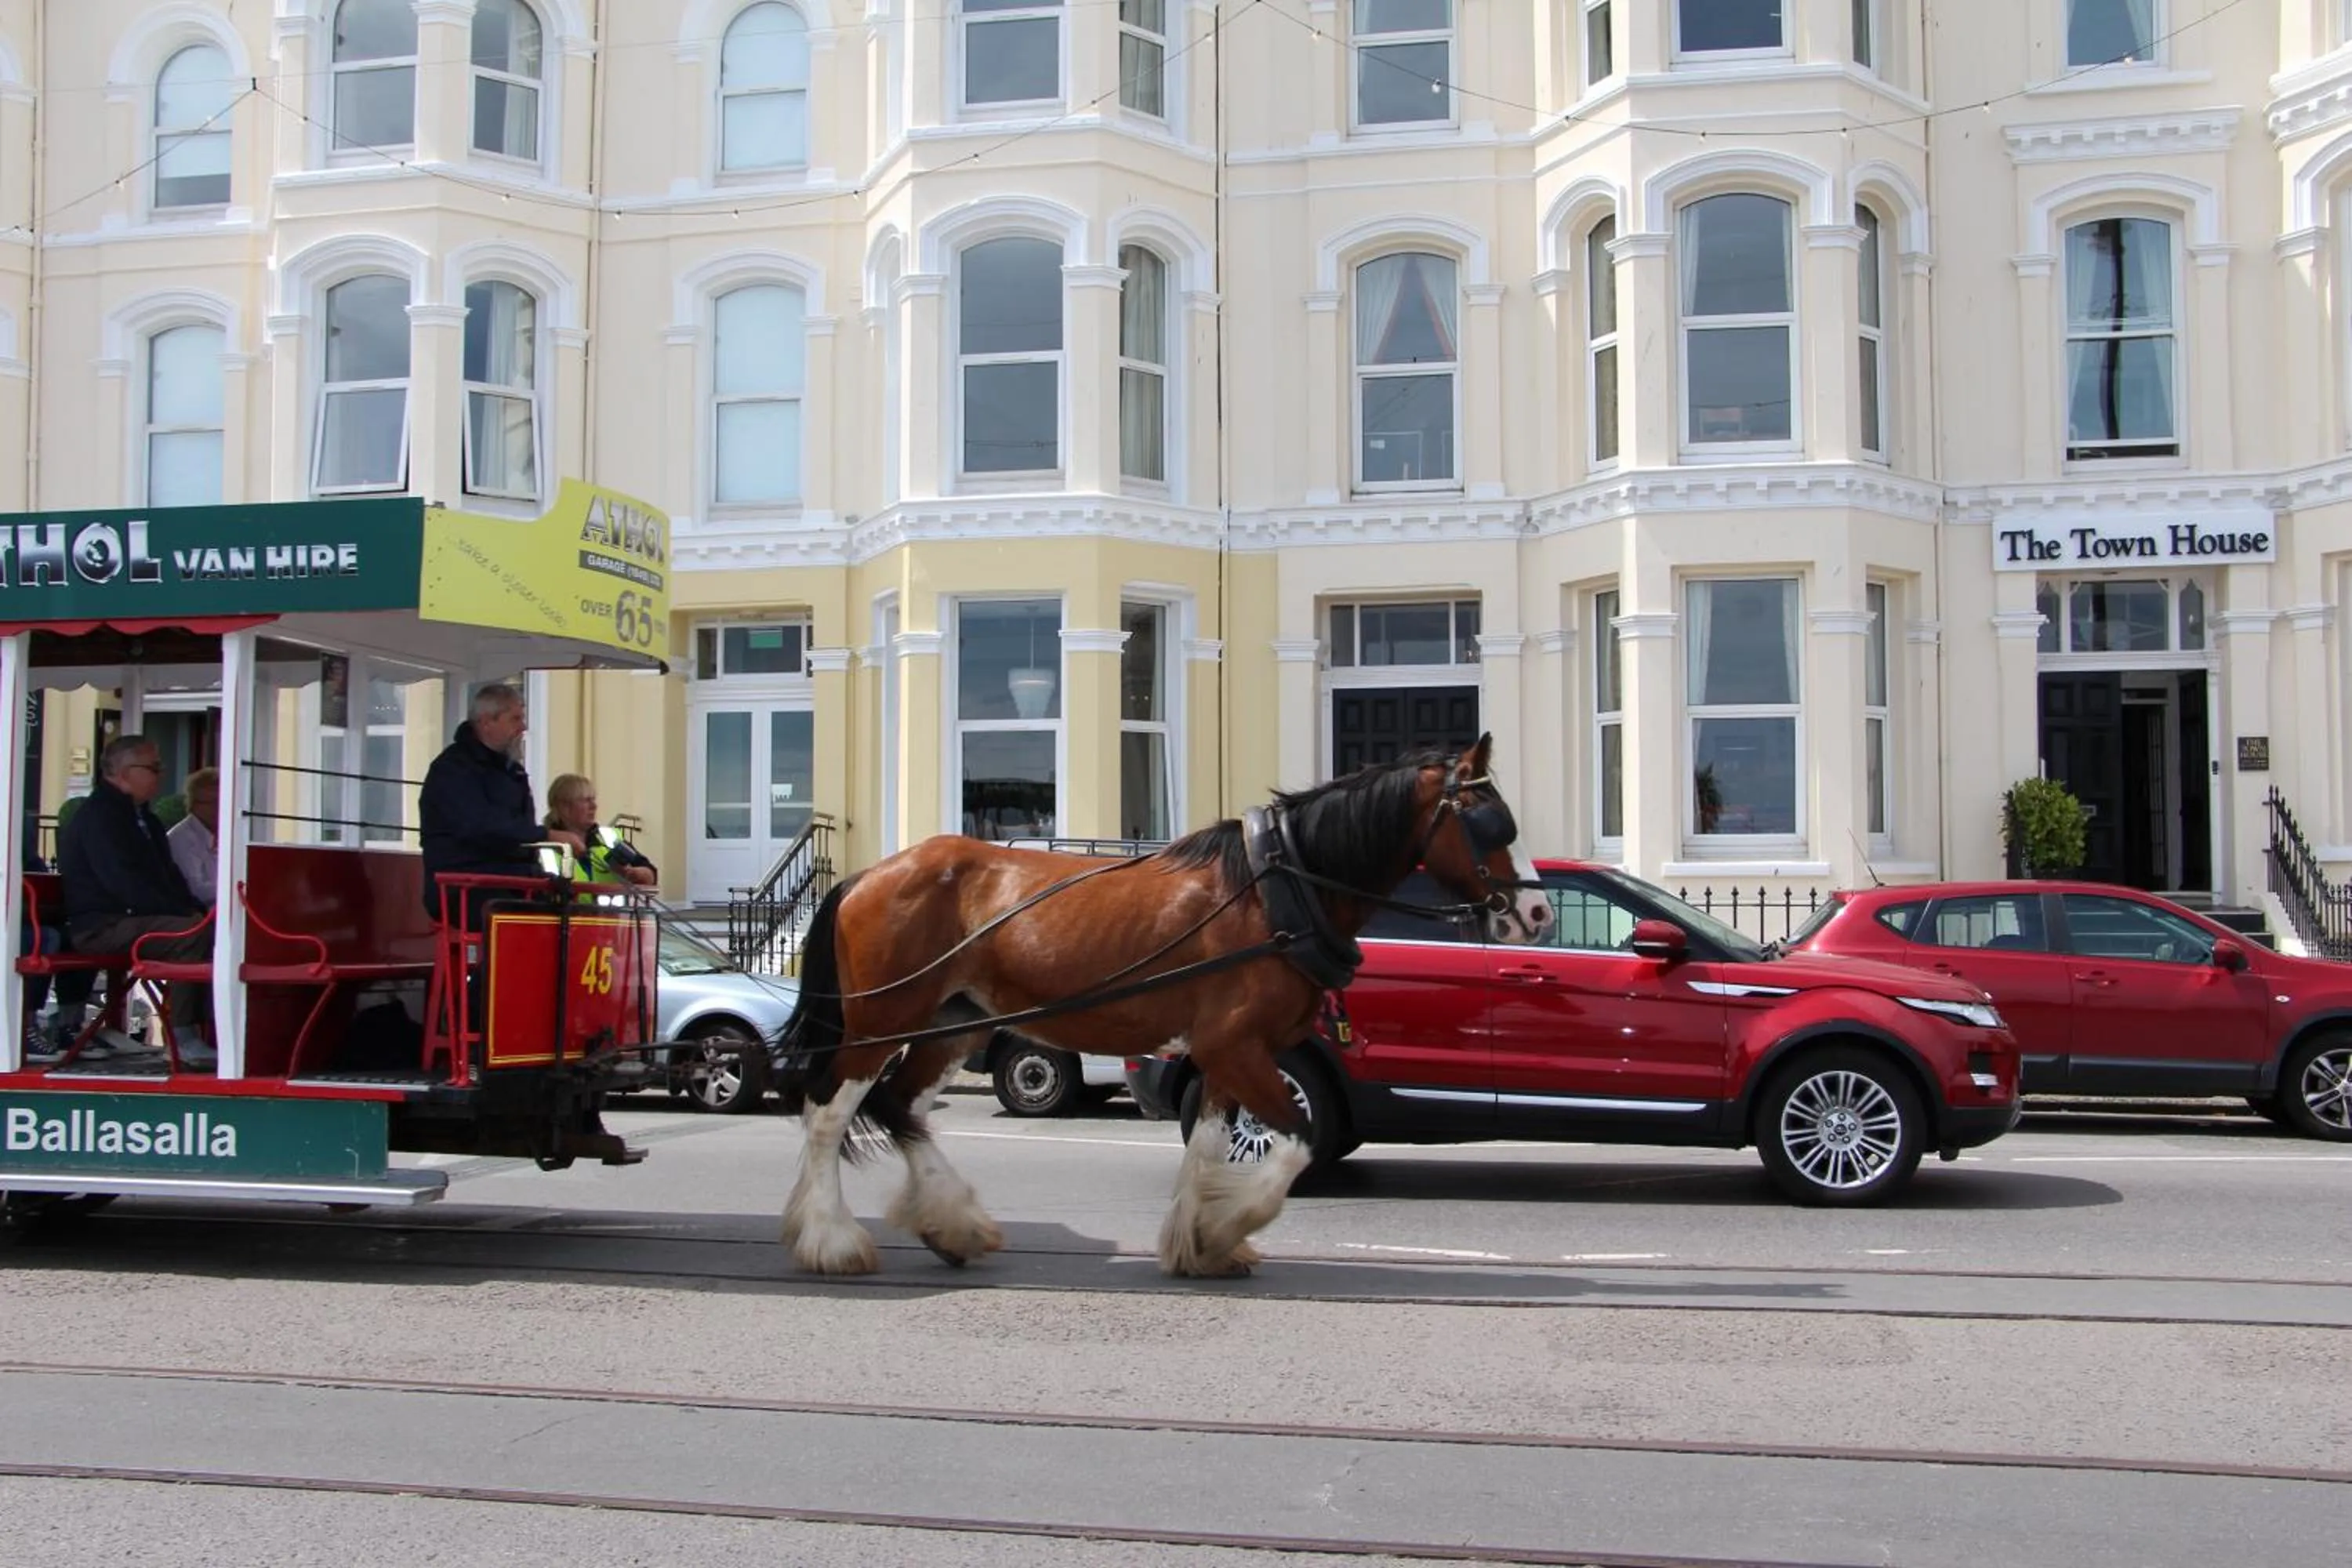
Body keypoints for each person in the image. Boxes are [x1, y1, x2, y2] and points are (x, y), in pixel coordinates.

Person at [56, 735, 213, 1064]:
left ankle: (208, 1030)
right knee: (193, 934)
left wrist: (193, 909)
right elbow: (122, 882)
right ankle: (183, 1037)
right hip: (102, 926)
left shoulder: (144, 818)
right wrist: (184, 916)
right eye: (154, 768)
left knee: (208, 929)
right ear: (126, 772)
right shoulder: (100, 817)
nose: (161, 774)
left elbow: (169, 875)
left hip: (131, 919)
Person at [419, 683, 583, 928]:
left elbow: (519, 832)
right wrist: (546, 835)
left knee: (570, 912)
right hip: (463, 885)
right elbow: (481, 827)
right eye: (515, 719)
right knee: (518, 919)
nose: (523, 727)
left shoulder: (513, 772)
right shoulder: (452, 770)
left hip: (510, 879)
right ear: (487, 722)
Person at [543, 774, 658, 891]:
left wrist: (638, 874)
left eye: (593, 800)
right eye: (586, 800)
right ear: (564, 807)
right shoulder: (543, 846)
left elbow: (649, 872)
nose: (594, 806)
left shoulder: (609, 837)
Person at [167, 766, 220, 906]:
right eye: (212, 802)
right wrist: (237, 887)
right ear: (193, 804)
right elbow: (196, 890)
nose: (218, 808)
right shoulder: (181, 838)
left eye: (222, 802)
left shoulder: (224, 833)